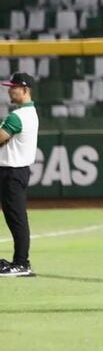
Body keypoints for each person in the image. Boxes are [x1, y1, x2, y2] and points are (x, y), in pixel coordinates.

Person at [0, 72, 39, 278]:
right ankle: (19, 262)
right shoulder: (29, 113)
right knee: (15, 217)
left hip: (12, 172)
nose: (9, 89)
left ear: (25, 90)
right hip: (16, 170)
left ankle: (22, 263)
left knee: (16, 218)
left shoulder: (18, 116)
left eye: (13, 87)